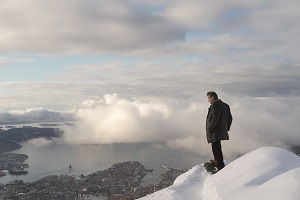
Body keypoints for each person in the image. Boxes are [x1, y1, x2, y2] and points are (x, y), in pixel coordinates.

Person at [206, 91, 232, 171]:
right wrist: (226, 128)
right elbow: (230, 118)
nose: (208, 100)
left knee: (216, 148)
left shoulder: (215, 105)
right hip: (221, 130)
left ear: (213, 97)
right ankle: (217, 161)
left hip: (215, 131)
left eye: (208, 98)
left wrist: (209, 128)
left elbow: (215, 119)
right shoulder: (225, 105)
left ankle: (220, 165)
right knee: (217, 147)